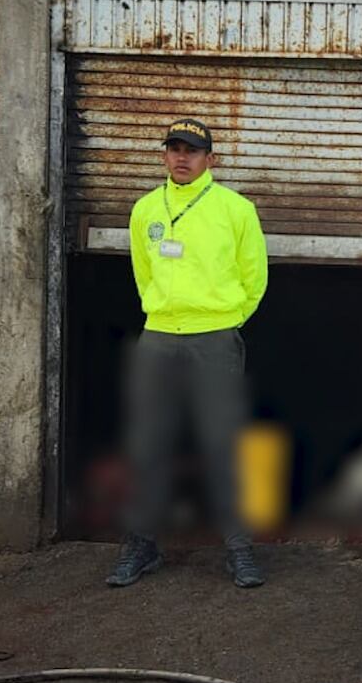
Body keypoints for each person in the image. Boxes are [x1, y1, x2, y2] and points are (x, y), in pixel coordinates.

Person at [106, 119, 269, 588]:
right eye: (174, 149)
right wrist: (161, 313)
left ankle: (239, 549)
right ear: (164, 156)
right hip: (158, 336)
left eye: (192, 151)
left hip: (214, 337)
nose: (182, 158)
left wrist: (227, 320)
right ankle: (142, 546)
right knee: (149, 442)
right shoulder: (145, 210)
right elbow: (143, 272)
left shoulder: (234, 209)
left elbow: (254, 276)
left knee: (221, 441)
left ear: (210, 160)